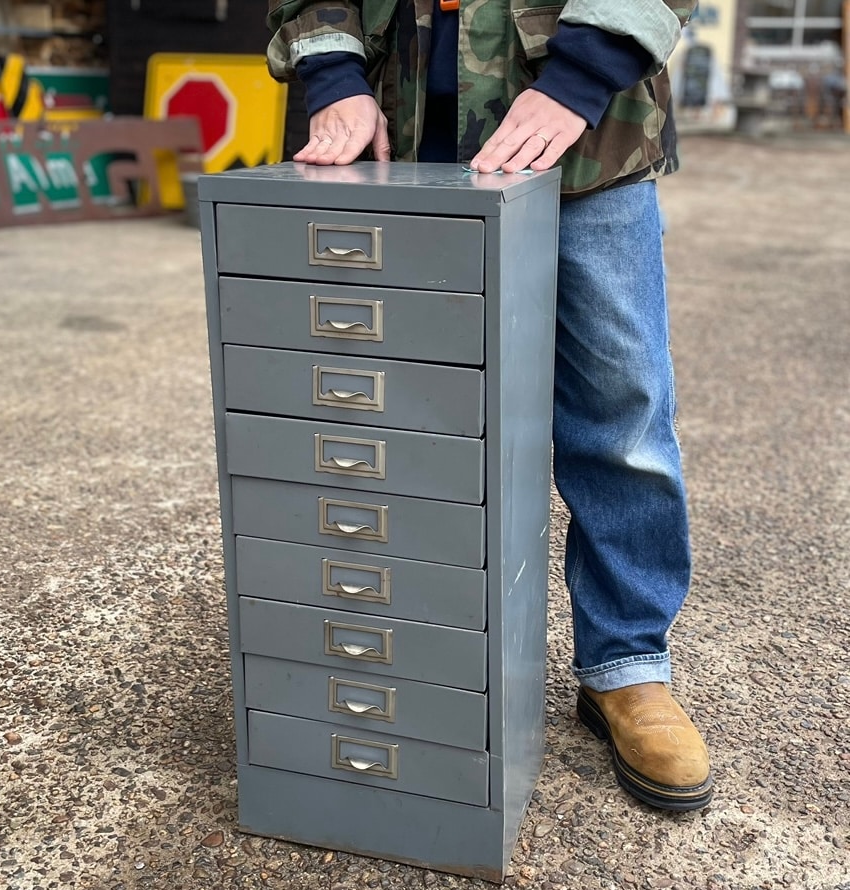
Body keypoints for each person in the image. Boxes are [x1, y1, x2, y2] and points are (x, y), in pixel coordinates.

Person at [265, 0, 713, 811]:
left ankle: (627, 668)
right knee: (394, 432)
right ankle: (420, 658)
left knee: (623, 418)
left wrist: (583, 74)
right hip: (389, 139)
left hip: (585, 140)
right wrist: (330, 72)